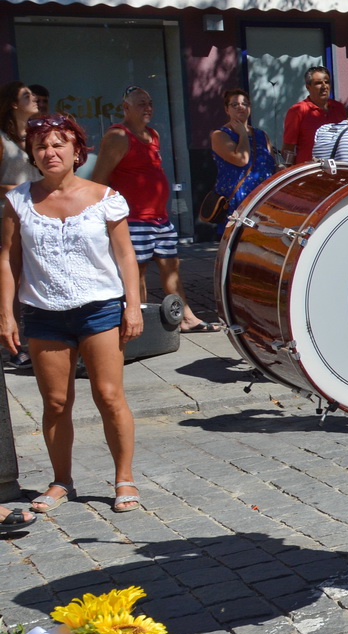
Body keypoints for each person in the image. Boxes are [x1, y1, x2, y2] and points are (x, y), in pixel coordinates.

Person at [0, 114, 144, 517]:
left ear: (77, 150)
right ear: (32, 153)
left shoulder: (104, 196)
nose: (50, 152)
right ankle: (61, 479)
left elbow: (125, 256)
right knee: (56, 402)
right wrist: (6, 315)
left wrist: (132, 305)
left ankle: (124, 477)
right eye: (42, 145)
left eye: (59, 143)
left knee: (110, 396)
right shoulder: (18, 201)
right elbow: (8, 260)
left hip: (99, 310)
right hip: (44, 313)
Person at [92, 87, 217, 334]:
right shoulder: (118, 135)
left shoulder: (153, 134)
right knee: (136, 274)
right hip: (133, 219)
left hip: (160, 218)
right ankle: (140, 323)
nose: (148, 107)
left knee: (172, 268)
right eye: (141, 103)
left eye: (149, 102)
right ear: (126, 108)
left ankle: (185, 317)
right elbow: (99, 181)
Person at [208, 89, 275, 219]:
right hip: (237, 201)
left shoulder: (261, 135)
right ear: (227, 109)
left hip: (263, 199)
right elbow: (241, 160)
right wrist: (243, 135)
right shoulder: (220, 135)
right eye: (235, 104)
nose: (241, 107)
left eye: (245, 103)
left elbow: (271, 163)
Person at [281, 66, 348, 167]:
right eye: (318, 83)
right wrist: (292, 171)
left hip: (338, 169)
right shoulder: (298, 110)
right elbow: (288, 149)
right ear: (308, 87)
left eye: (327, 82)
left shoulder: (339, 108)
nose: (324, 86)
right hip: (310, 172)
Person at [0, 81, 39, 192]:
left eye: (33, 95)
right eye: (27, 96)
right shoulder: (2, 139)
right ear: (14, 104)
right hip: (9, 207)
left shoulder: (38, 135)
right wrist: (24, 190)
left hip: (39, 206)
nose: (34, 98)